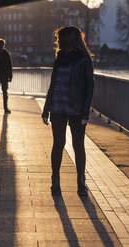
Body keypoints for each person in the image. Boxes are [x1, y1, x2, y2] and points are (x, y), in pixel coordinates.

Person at [42, 26, 94, 197]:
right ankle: (55, 181)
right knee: (58, 144)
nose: (58, 41)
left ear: (69, 39)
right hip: (57, 108)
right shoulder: (60, 58)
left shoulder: (84, 60)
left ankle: (81, 182)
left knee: (78, 146)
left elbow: (89, 87)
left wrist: (85, 112)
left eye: (61, 38)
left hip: (77, 109)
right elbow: (53, 85)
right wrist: (46, 108)